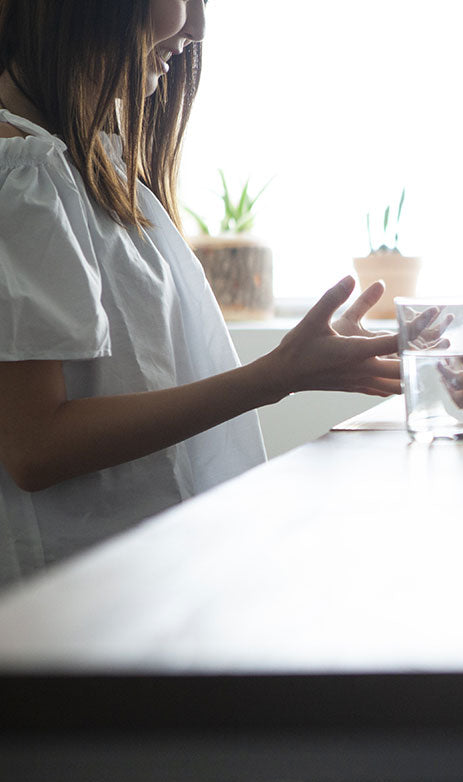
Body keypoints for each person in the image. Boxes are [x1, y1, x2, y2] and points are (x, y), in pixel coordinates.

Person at [0, 0, 411, 587]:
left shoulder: (90, 164)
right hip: (71, 600)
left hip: (138, 580)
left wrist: (300, 358)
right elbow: (35, 447)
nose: (195, 28)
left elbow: (136, 379)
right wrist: (276, 376)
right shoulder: (21, 175)